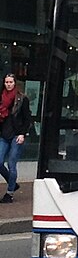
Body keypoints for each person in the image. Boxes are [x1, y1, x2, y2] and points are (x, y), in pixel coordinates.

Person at [0, 74, 32, 204]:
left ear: (15, 83)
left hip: (16, 135)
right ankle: (12, 183)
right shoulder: (1, 98)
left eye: (10, 82)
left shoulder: (22, 99)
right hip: (4, 134)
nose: (8, 84)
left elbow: (27, 118)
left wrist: (22, 134)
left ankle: (10, 193)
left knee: (11, 163)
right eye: (6, 82)